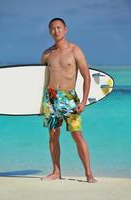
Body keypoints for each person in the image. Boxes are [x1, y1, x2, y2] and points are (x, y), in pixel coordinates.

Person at [41, 18, 97, 183]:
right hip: (50, 97)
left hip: (69, 97)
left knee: (77, 135)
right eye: (52, 28)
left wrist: (84, 101)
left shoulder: (75, 51)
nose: (55, 31)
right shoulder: (46, 54)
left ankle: (88, 173)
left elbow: (86, 77)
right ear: (49, 31)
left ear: (66, 30)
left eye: (59, 28)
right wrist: (38, 104)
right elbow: (40, 80)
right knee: (53, 135)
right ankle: (56, 171)